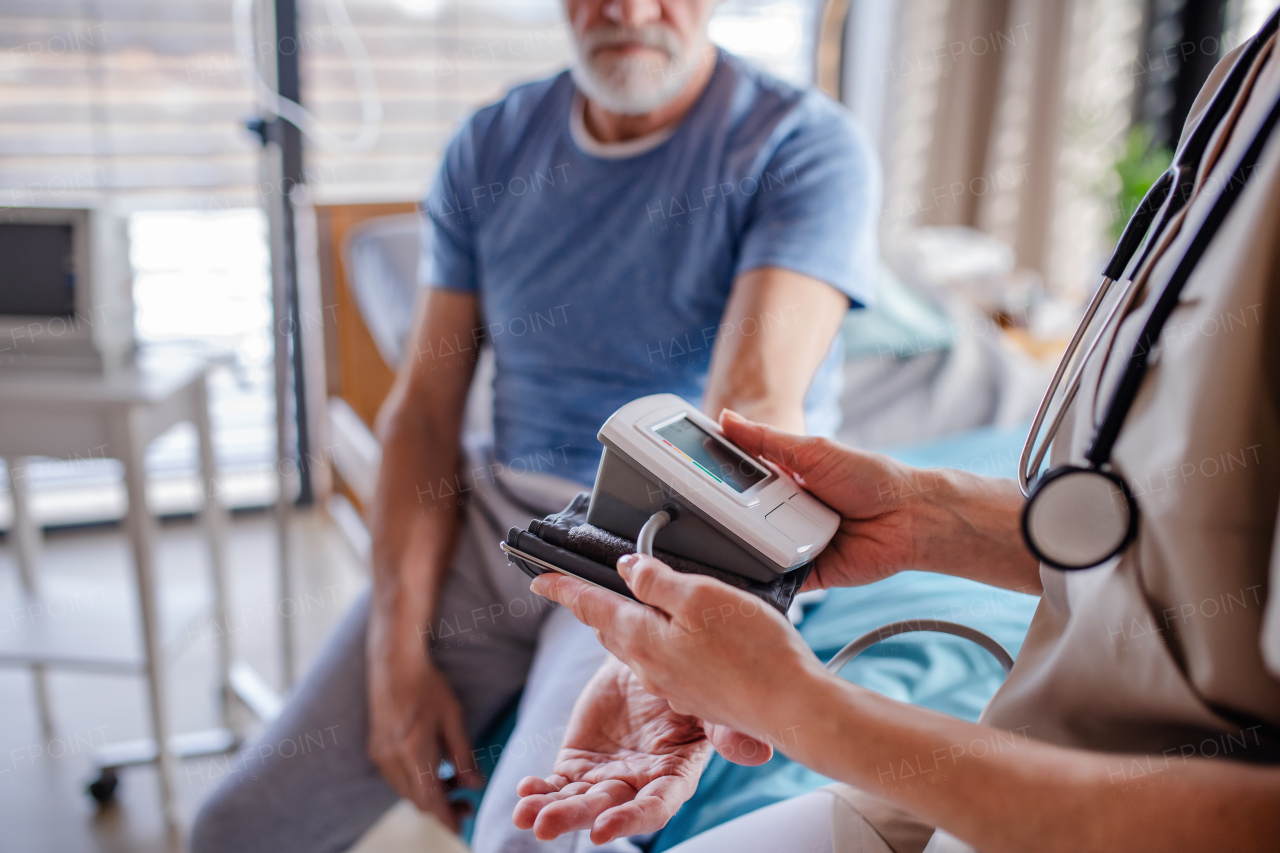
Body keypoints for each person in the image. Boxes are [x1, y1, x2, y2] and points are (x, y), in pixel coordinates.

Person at [515, 26, 1280, 853]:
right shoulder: (1251, 74)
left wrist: (800, 708)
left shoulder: (797, 139)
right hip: (1033, 758)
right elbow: (1190, 537)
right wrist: (931, 516)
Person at [190, 0, 878, 851]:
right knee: (235, 828)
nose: (625, 10)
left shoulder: (799, 145)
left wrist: (664, 641)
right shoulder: (490, 145)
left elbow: (755, 405)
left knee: (536, 837)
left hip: (679, 541)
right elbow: (425, 409)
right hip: (504, 516)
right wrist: (395, 654)